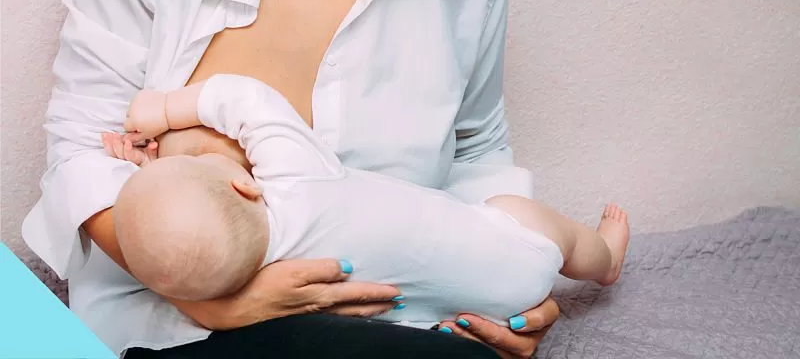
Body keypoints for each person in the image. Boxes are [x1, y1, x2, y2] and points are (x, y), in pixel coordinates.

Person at [21, 0, 565, 357]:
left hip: (395, 317)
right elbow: (81, 149)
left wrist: (513, 284)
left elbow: (475, 150)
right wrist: (203, 296)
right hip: (171, 328)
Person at [103, 74, 630, 313]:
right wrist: (167, 109)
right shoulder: (297, 178)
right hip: (518, 252)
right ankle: (602, 260)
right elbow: (249, 100)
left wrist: (150, 173)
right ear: (244, 185)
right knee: (520, 213)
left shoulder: (272, 277)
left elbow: (190, 233)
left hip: (473, 311)